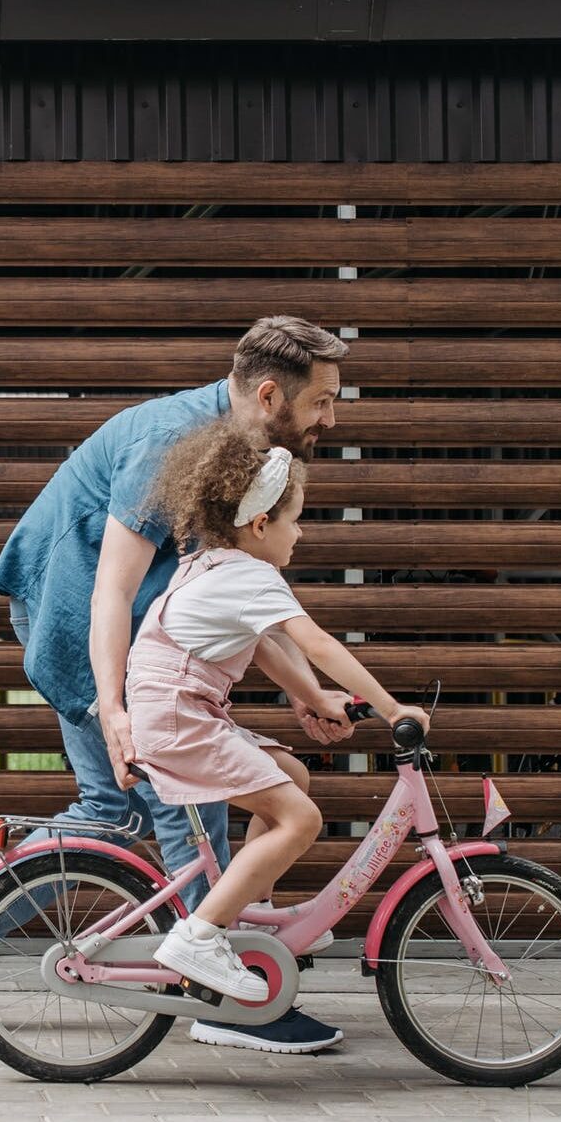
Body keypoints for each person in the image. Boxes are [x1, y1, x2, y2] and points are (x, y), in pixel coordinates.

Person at [0, 315, 356, 1055]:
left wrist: (303, 688)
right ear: (270, 395)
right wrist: (114, 710)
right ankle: (209, 987)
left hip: (124, 622)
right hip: (76, 612)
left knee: (114, 809)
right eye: (323, 401)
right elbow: (109, 590)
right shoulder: (170, 444)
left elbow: (233, 592)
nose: (331, 418)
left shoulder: (240, 450)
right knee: (182, 790)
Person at [131, 419, 427, 1000]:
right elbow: (315, 642)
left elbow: (264, 645)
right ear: (261, 523)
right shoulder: (249, 573)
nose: (302, 533)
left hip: (180, 711)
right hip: (179, 718)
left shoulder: (210, 562)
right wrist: (394, 709)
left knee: (291, 776)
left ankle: (251, 915)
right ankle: (200, 935)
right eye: (295, 519)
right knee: (301, 819)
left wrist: (315, 698)